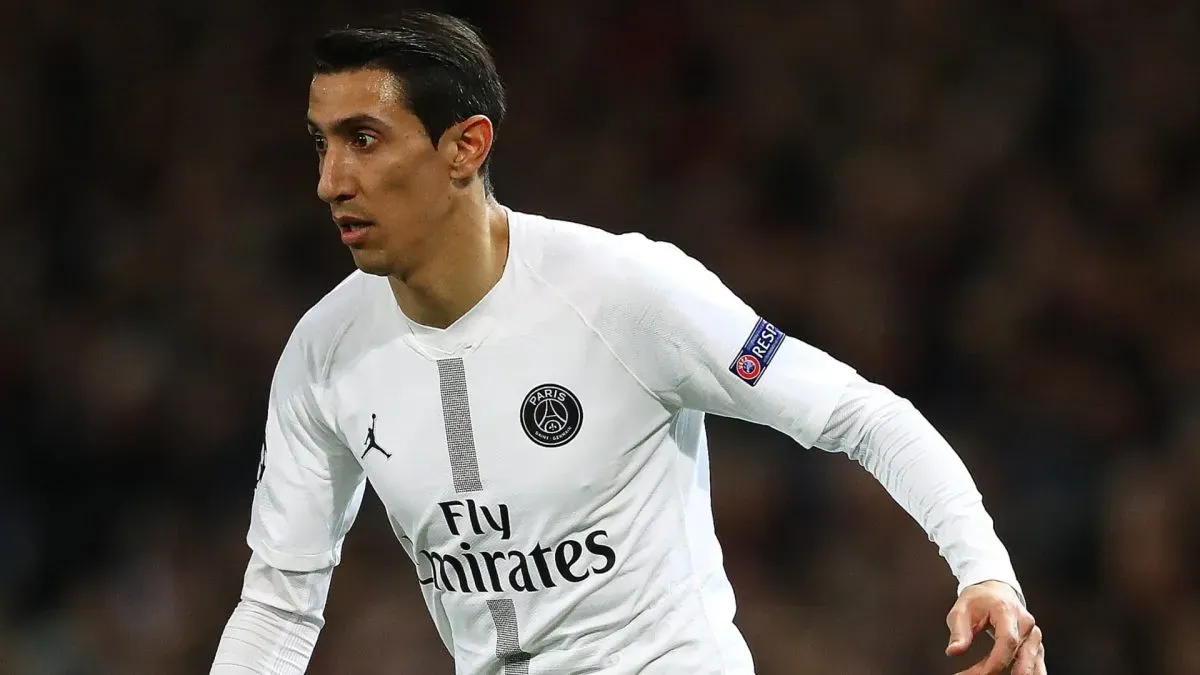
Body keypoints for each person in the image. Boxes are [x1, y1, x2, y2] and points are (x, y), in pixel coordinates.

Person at [210, 10, 1046, 675]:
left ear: (466, 146)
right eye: (320, 144)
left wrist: (983, 570)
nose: (329, 181)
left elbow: (862, 415)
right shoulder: (324, 350)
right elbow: (282, 601)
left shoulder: (623, 292)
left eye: (363, 139)